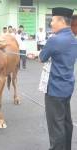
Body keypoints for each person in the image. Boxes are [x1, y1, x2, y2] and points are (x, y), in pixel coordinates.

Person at [39, 7, 77, 150]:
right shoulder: (73, 39)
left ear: (61, 21)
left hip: (54, 89)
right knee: (66, 122)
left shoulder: (54, 40)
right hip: (67, 88)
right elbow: (59, 55)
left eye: (53, 20)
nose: (51, 23)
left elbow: (42, 57)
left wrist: (38, 54)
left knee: (56, 126)